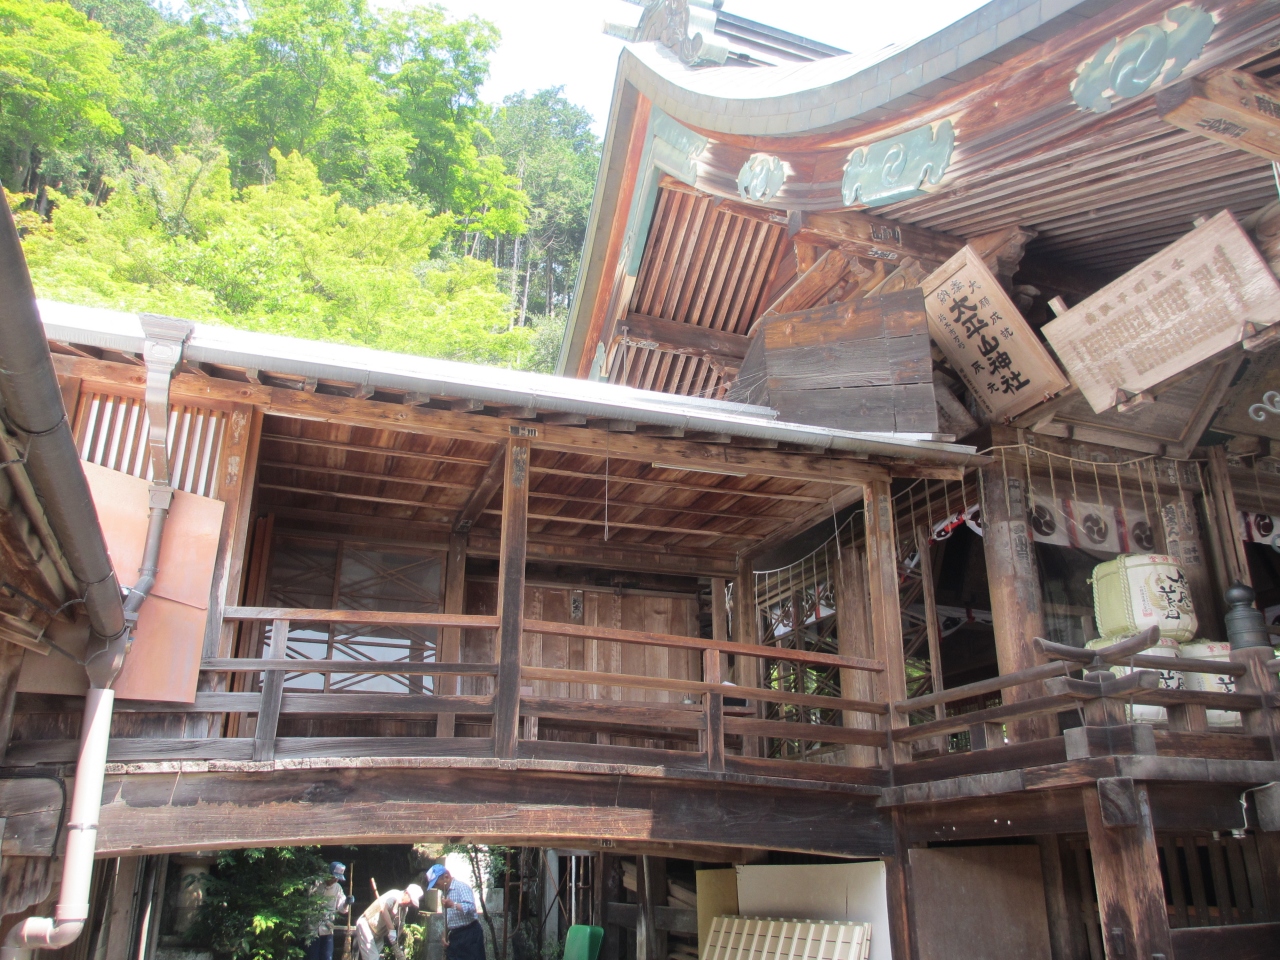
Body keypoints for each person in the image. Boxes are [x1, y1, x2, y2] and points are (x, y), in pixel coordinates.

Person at [426, 865, 485, 960]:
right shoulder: (443, 893)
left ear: (446, 877)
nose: (437, 887)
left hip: (470, 933)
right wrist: (444, 934)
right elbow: (447, 917)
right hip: (454, 935)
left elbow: (471, 908)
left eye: (437, 884)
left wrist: (453, 905)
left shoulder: (461, 887)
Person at [354, 883, 422, 960]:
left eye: (412, 904)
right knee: (373, 958)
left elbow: (401, 925)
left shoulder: (404, 910)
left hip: (379, 934)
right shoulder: (394, 895)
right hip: (366, 925)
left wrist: (395, 941)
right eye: (410, 901)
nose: (410, 904)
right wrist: (391, 929)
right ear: (406, 893)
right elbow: (384, 909)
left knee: (378, 957)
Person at [305, 862, 356, 960]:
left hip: (327, 929)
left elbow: (342, 908)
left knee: (327, 957)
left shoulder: (337, 888)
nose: (335, 880)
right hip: (313, 929)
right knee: (312, 957)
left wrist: (346, 902)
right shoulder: (316, 884)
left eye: (337, 878)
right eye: (334, 877)